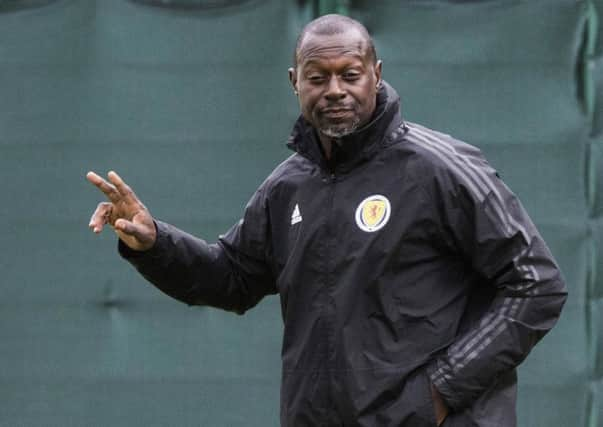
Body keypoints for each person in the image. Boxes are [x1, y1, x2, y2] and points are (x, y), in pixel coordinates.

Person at [87, 14, 567, 427]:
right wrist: (154, 244)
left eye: (350, 74)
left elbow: (537, 284)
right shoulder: (288, 185)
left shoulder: (440, 170)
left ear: (376, 75)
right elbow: (230, 278)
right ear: (295, 81)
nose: (335, 90)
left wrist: (441, 390)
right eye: (318, 77)